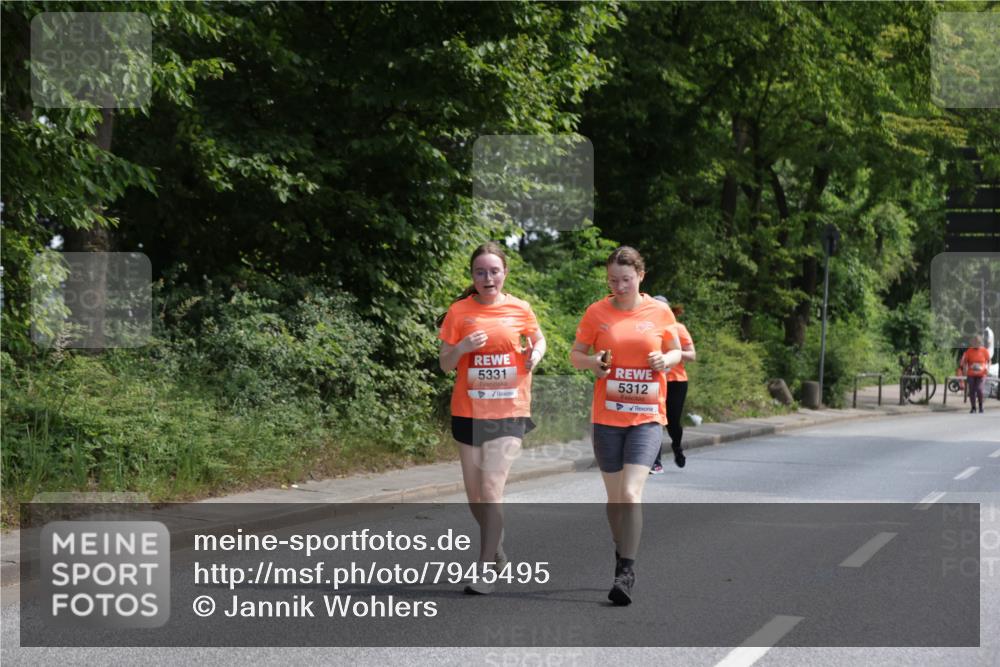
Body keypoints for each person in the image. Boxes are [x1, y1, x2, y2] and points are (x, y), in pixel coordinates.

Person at [570, 246, 681, 606]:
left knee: (632, 493)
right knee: (615, 498)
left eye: (626, 280)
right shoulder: (596, 312)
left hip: (646, 418)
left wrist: (664, 359)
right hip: (607, 418)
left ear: (641, 277)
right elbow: (576, 355)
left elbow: (676, 350)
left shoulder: (659, 311)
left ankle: (626, 571)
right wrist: (594, 364)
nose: (619, 286)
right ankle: (621, 552)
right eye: (613, 280)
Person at [438, 241, 546, 595]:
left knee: (490, 489)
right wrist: (463, 347)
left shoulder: (520, 308)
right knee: (474, 498)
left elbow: (538, 340)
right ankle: (495, 548)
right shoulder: (459, 311)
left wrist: (534, 357)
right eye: (480, 272)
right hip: (468, 410)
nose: (488, 278)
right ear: (472, 276)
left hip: (509, 411)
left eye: (494, 271)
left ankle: (484, 570)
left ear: (505, 274)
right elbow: (445, 363)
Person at [650, 297, 696, 473]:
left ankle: (677, 446)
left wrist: (672, 354)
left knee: (672, 422)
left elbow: (692, 355)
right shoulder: (646, 328)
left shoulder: (678, 328)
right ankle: (655, 461)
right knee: (654, 420)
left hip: (676, 381)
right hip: (653, 380)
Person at [960, 334, 990, 414]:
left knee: (979, 389)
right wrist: (965, 370)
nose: (976, 344)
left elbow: (989, 360)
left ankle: (980, 405)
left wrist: (988, 368)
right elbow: (965, 361)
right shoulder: (969, 351)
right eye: (974, 342)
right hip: (971, 374)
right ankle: (973, 407)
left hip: (982, 374)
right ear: (972, 343)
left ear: (980, 343)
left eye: (978, 342)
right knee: (972, 391)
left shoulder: (984, 350)